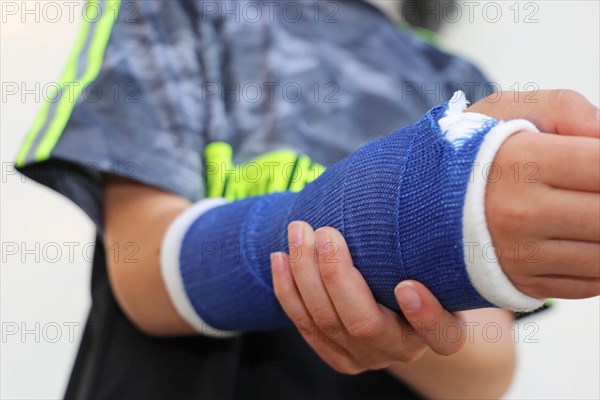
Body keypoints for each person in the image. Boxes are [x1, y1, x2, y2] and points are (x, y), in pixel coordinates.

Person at [15, 1, 599, 399]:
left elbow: (487, 370)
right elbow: (141, 271)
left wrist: (407, 326)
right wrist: (374, 236)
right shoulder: (179, 8)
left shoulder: (456, 77)